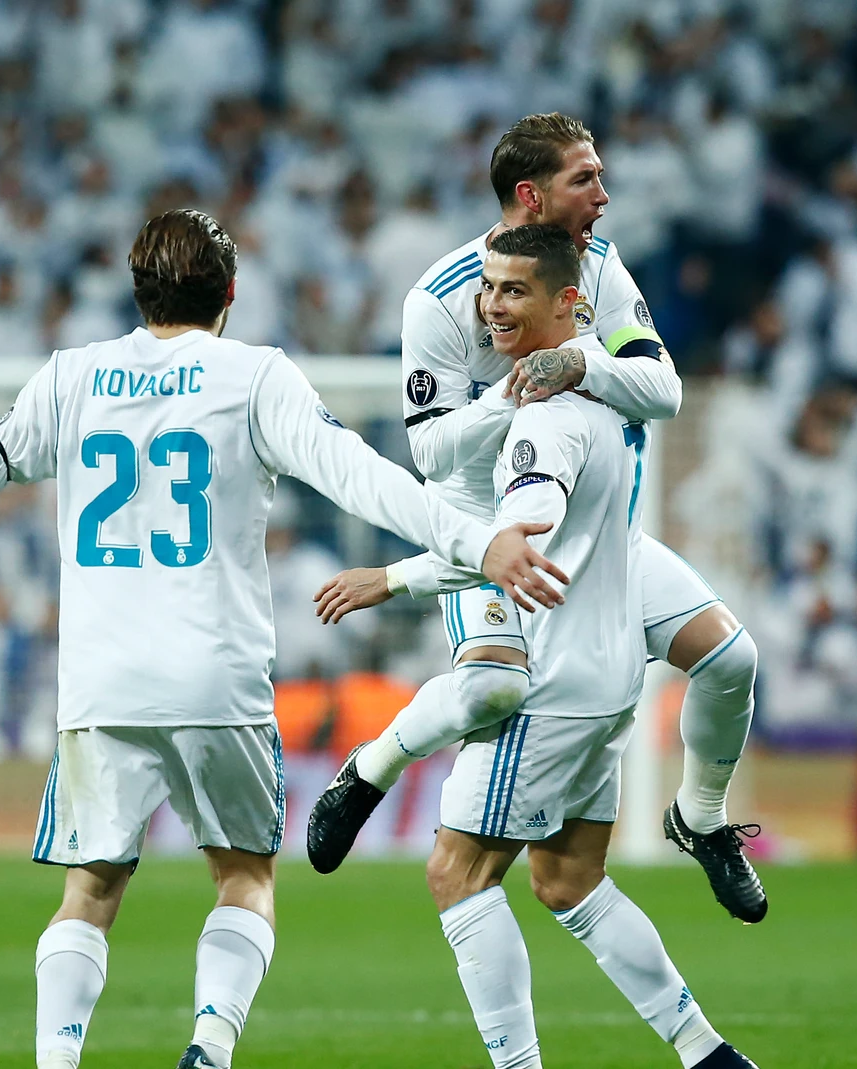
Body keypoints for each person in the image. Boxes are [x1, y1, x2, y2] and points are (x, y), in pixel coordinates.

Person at [0, 208, 570, 1069]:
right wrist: (482, 541)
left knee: (90, 888)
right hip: (216, 676)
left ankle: (57, 1061)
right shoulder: (255, 376)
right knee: (245, 876)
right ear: (230, 293)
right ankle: (209, 1048)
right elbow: (363, 481)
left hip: (102, 682)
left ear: (137, 289)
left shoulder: (72, 378)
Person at [307, 113, 766, 923]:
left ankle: (700, 818)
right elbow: (435, 457)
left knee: (731, 657)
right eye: (584, 179)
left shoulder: (599, 269)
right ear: (532, 195)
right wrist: (513, 392)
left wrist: (578, 359)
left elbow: (663, 390)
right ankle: (370, 767)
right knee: (490, 689)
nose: (604, 194)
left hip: (587, 524)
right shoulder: (439, 302)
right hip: (481, 524)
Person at [404, 224, 759, 1069]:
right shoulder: (596, 403)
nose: (492, 304)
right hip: (611, 674)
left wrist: (407, 575)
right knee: (569, 882)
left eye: (513, 292)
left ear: (569, 305)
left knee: (456, 874)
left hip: (554, 679)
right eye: (490, 289)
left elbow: (531, 506)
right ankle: (708, 1053)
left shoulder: (550, 415)